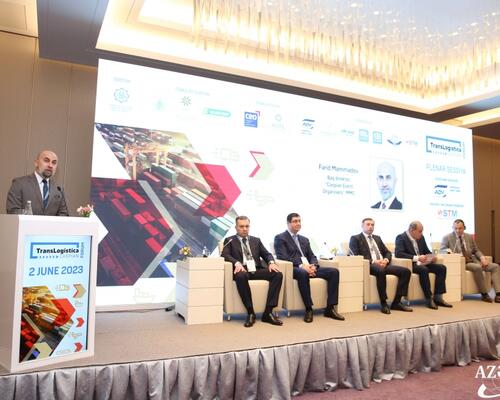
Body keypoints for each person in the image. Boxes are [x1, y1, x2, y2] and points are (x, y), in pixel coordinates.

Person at [274, 213, 345, 323]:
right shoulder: (280, 238)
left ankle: (330, 308)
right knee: (303, 273)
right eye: (295, 221)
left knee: (334, 272)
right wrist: (302, 266)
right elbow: (283, 257)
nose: (298, 223)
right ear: (288, 223)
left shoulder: (305, 239)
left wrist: (314, 266)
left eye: (299, 221)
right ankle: (308, 309)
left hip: (309, 267)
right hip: (294, 268)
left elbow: (312, 256)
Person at [221, 216, 283, 327]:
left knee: (277, 274)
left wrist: (271, 262)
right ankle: (250, 312)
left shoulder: (256, 240)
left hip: (256, 269)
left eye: (247, 226)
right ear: (236, 227)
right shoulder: (230, 240)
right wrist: (236, 263)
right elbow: (225, 255)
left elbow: (266, 254)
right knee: (240, 276)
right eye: (241, 226)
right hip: (242, 270)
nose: (244, 229)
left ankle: (268, 312)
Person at [349, 218, 412, 314]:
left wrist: (386, 260)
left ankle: (397, 302)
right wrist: (374, 261)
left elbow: (387, 252)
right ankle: (383, 303)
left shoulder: (377, 238)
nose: (370, 226)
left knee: (406, 271)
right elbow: (356, 255)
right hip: (369, 265)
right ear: (362, 226)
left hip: (383, 264)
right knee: (381, 270)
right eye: (368, 224)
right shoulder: (355, 238)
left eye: (372, 225)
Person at [395, 221, 452, 309]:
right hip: (411, 264)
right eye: (420, 231)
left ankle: (438, 297)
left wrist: (432, 257)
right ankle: (429, 298)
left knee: (441, 268)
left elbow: (426, 251)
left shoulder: (421, 238)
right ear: (412, 230)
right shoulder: (401, 237)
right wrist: (417, 258)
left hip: (423, 262)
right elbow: (399, 253)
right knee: (423, 269)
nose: (421, 233)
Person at [440, 219, 500, 303]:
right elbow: (442, 250)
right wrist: (449, 251)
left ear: (464, 228)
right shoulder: (447, 237)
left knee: (495, 266)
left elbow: (476, 250)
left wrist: (482, 257)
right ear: (452, 228)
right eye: (455, 228)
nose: (458, 231)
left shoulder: (469, 237)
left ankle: (498, 294)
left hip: (473, 260)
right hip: (462, 263)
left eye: (460, 228)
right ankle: (484, 294)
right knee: (477, 267)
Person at [6, 150, 69, 216]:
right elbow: (12, 211)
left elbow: (64, 214)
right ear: (36, 163)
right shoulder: (19, 183)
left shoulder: (58, 189)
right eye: (46, 161)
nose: (50, 165)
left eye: (54, 163)